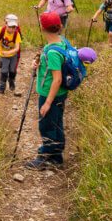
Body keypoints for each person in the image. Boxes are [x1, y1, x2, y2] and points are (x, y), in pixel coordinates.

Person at [25, 11, 70, 169]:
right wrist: (37, 63)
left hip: (51, 95)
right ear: (58, 26)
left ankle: (45, 158)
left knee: (46, 125)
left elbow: (57, 79)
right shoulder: (61, 41)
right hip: (60, 94)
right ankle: (56, 155)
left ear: (42, 28)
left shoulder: (52, 52)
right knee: (56, 123)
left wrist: (47, 103)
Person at [0, 13, 22, 94]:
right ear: (5, 24)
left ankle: (11, 81)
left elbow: (17, 48)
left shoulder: (17, 34)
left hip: (13, 55)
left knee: (12, 71)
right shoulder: (1, 30)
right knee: (4, 71)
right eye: (10, 26)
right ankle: (1, 87)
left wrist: (9, 52)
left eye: (14, 27)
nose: (12, 29)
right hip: (3, 55)